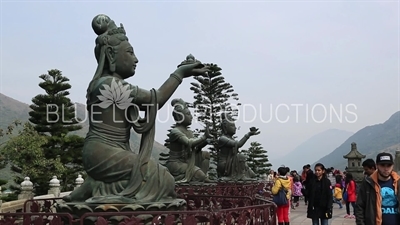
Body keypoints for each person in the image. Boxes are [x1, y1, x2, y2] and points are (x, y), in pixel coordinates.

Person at [63, 14, 209, 203]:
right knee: (162, 179)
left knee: (152, 175)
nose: (136, 59)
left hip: (110, 150)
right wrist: (179, 74)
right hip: (102, 152)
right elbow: (154, 100)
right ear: (111, 55)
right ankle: (105, 196)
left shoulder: (110, 84)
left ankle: (94, 186)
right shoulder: (108, 85)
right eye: (130, 52)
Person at [165, 98, 212, 183]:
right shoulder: (175, 131)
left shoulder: (189, 132)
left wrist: (206, 141)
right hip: (176, 164)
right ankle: (201, 177)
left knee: (205, 155)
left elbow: (196, 147)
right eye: (188, 114)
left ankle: (202, 177)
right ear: (180, 116)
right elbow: (188, 143)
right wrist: (204, 137)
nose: (191, 117)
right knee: (199, 174)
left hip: (187, 161)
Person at [355, 152, 400, 225]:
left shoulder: (398, 182)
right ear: (377, 166)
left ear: (393, 166)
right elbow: (359, 207)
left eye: (389, 165)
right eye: (382, 165)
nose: (386, 169)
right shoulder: (368, 184)